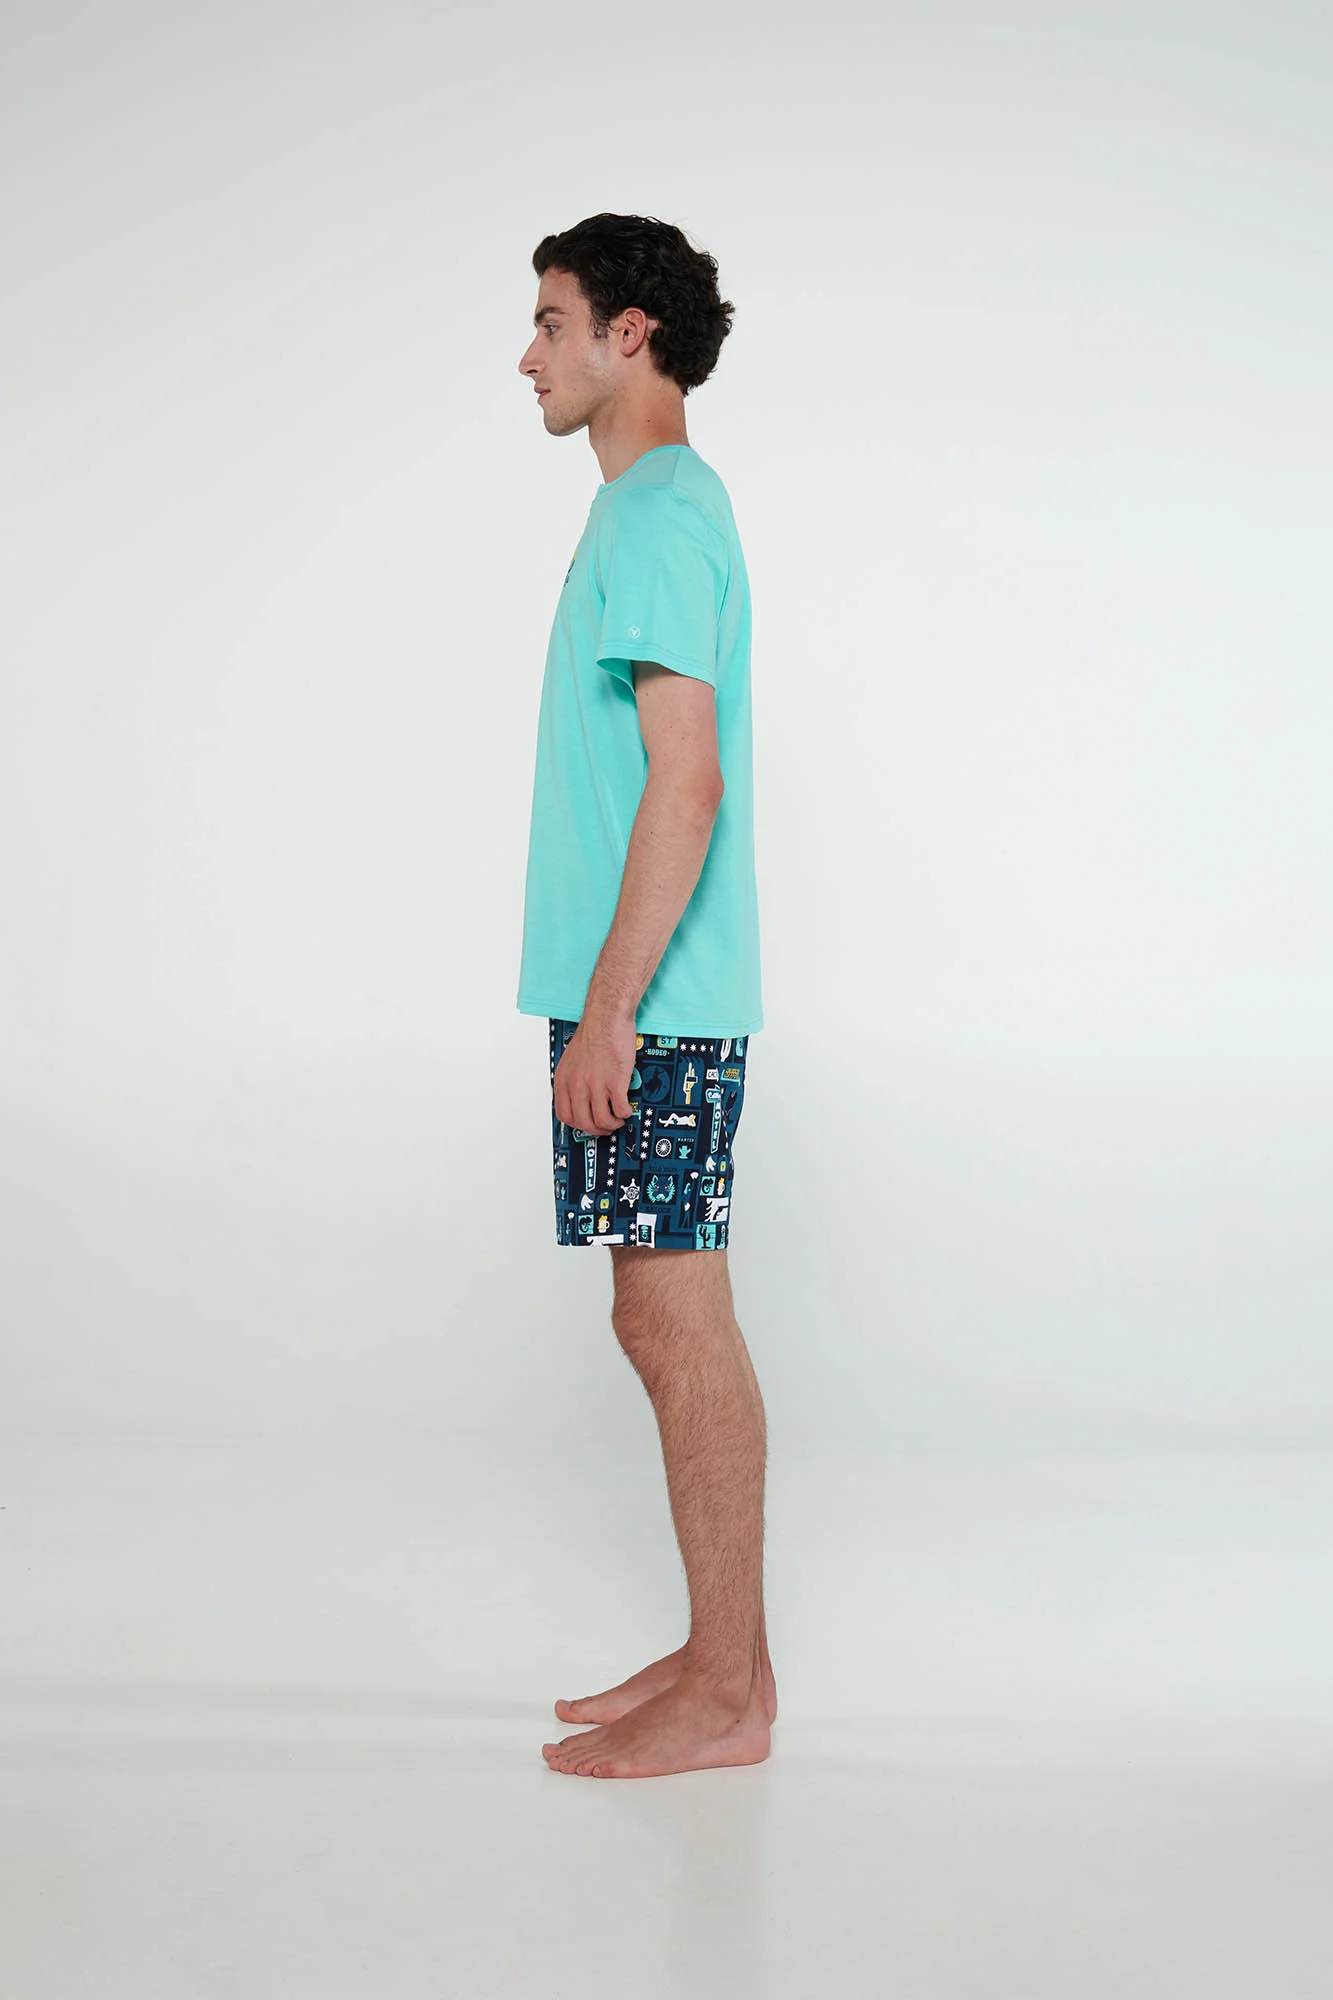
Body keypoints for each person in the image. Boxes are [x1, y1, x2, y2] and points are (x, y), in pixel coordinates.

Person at [515, 214, 776, 1778]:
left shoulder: (664, 511)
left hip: (655, 1003)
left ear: (631, 335)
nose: (528, 355)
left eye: (553, 322)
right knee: (664, 1313)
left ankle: (727, 1699)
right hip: (640, 995)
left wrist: (612, 1011)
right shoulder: (645, 509)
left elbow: (689, 784)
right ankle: (725, 1660)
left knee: (674, 1319)